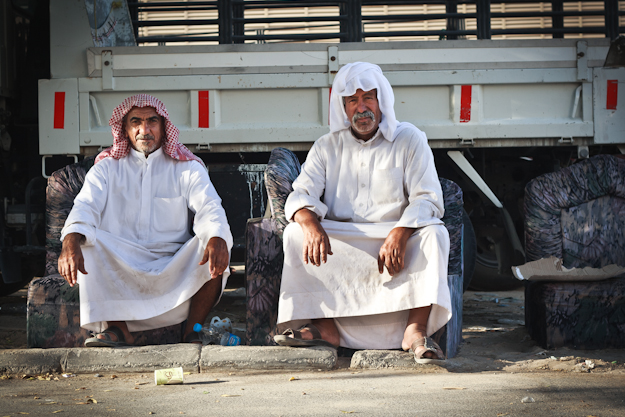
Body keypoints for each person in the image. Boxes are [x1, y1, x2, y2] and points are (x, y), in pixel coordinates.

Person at [274, 62, 451, 363]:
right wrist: (311, 225)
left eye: (368, 97)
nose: (361, 108)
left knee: (435, 234)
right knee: (295, 233)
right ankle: (325, 327)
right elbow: (301, 194)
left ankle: (415, 330)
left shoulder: (410, 139)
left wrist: (401, 232)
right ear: (343, 107)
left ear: (381, 100)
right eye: (353, 100)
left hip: (396, 240)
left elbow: (428, 198)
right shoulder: (326, 146)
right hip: (345, 241)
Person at [58, 94, 232, 347]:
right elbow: (85, 206)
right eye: (136, 122)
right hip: (121, 261)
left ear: (163, 127)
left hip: (172, 262)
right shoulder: (106, 168)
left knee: (215, 241)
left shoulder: (187, 168)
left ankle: (192, 332)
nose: (144, 129)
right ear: (125, 129)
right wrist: (70, 241)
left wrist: (216, 237)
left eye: (152, 121)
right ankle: (118, 330)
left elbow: (209, 206)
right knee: (87, 242)